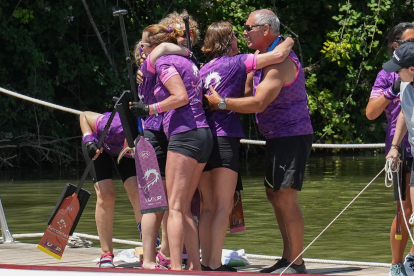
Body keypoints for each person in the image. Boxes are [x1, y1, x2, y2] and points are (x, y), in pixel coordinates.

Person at [204, 9, 313, 274]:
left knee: (286, 197)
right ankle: (287, 256)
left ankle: (296, 262)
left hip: (292, 134)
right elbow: (246, 89)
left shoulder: (280, 63)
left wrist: (220, 102)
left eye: (248, 27)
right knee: (273, 195)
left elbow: (258, 102)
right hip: (275, 136)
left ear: (265, 30)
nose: (244, 33)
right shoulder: (265, 58)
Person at [131, 24, 212, 271]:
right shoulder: (189, 62)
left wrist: (149, 109)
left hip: (184, 134)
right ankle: (195, 267)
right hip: (203, 134)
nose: (142, 52)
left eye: (145, 47)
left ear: (154, 47)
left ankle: (175, 267)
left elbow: (180, 97)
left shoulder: (165, 63)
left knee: (174, 208)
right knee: (184, 206)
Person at [133, 41, 194, 269]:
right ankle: (151, 259)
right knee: (156, 203)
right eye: (142, 45)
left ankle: (164, 254)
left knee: (167, 203)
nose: (143, 48)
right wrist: (187, 51)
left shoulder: (153, 67)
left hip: (159, 137)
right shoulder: (151, 66)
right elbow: (162, 48)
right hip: (154, 136)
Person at [366, 22, 414, 276]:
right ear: (396, 46)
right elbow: (371, 113)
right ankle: (396, 265)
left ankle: (412, 258)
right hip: (400, 147)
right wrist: (391, 89)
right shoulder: (389, 74)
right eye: (410, 41)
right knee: (405, 209)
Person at [79, 111, 142, 268]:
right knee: (106, 195)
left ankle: (149, 245)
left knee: (137, 191)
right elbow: (84, 116)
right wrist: (89, 141)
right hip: (99, 144)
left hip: (124, 151)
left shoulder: (146, 137)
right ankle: (106, 253)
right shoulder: (114, 125)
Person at [385, 41, 414, 276]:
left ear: (412, 69)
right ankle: (404, 262)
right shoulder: (405, 85)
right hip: (413, 154)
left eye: (399, 68)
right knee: (409, 210)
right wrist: (395, 146)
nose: (395, 72)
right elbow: (404, 112)